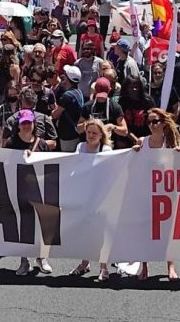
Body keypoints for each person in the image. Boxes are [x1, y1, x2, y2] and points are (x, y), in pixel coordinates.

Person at [132, 108, 180, 281]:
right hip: (145, 193)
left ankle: (170, 266)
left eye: (155, 122)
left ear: (163, 123)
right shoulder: (142, 142)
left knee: (168, 231)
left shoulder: (171, 143)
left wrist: (179, 154)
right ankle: (144, 265)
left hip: (165, 194)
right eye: (149, 122)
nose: (152, 125)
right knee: (144, 229)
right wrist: (132, 154)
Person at [2, 109, 52, 276]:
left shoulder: (42, 144)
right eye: (23, 123)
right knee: (23, 225)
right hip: (19, 190)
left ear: (33, 124)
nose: (26, 126)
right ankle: (24, 260)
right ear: (18, 125)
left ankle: (41, 258)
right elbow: (5, 165)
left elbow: (50, 167)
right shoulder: (10, 143)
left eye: (28, 123)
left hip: (39, 191)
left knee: (41, 226)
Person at [69, 118, 112, 282]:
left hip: (101, 196)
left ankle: (103, 266)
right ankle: (84, 262)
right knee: (84, 230)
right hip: (83, 195)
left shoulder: (106, 150)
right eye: (88, 132)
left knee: (101, 232)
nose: (91, 135)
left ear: (101, 135)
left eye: (95, 133)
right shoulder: (80, 147)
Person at [52, 65, 85, 152]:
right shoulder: (79, 92)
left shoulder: (66, 96)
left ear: (68, 79)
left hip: (67, 135)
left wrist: (53, 109)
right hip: (75, 134)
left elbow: (55, 115)